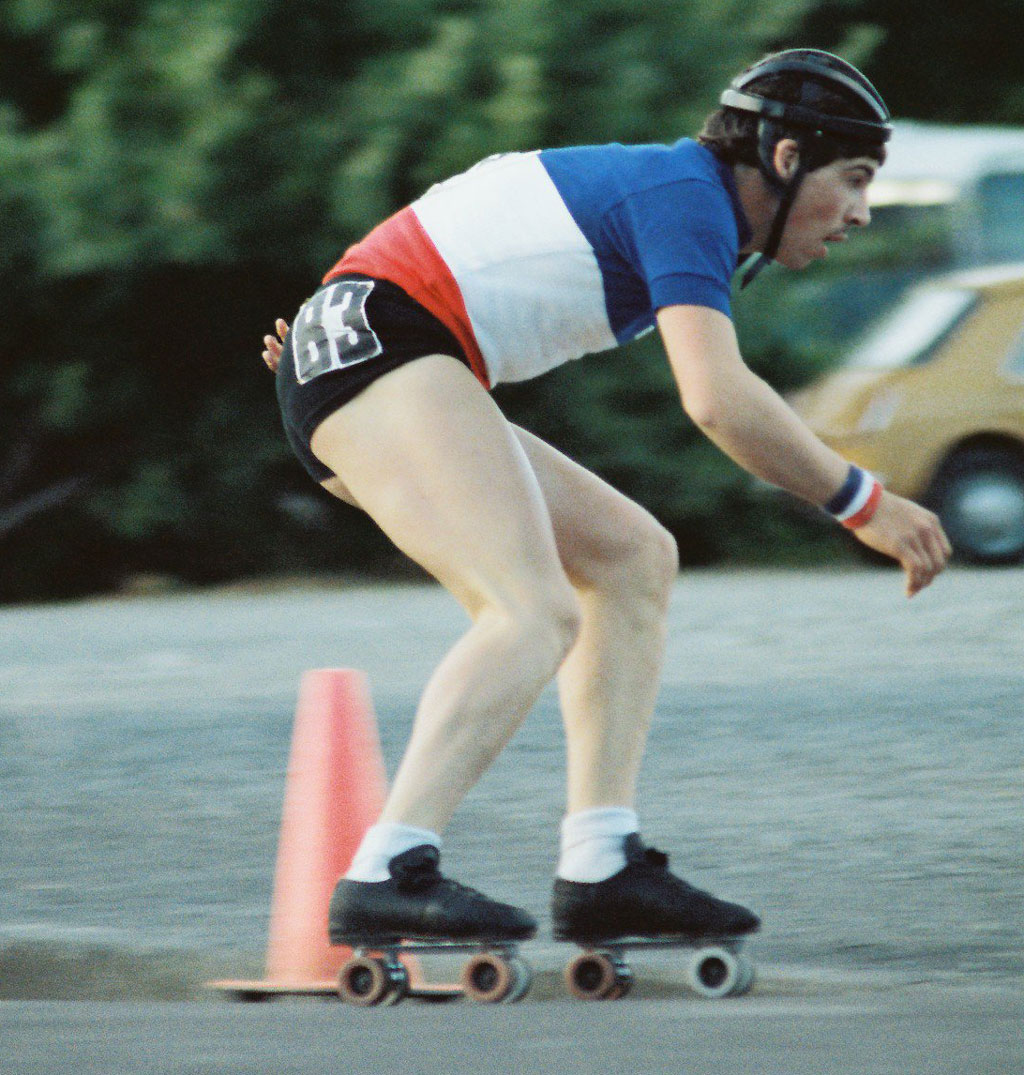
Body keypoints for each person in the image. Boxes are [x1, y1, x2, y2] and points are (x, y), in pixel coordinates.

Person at [261, 49, 951, 948]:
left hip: (375, 345)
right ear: (783, 159)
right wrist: (864, 502)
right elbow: (717, 399)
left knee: (632, 556)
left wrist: (329, 331)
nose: (860, 211)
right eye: (853, 178)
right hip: (382, 347)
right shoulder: (687, 195)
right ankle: (384, 868)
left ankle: (600, 864)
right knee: (530, 611)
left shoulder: (680, 196)